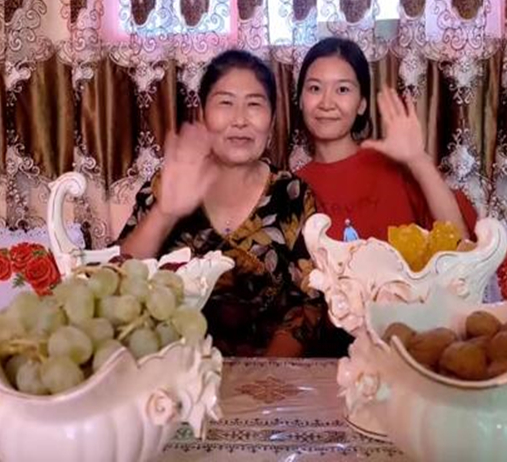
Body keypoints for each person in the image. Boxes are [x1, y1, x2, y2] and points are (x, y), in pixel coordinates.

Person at [116, 49, 326, 358]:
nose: (240, 120)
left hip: (270, 376)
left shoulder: (291, 194)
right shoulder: (170, 181)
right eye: (225, 103)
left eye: (254, 104)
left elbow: (310, 303)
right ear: (202, 115)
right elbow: (118, 283)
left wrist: (262, 376)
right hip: (175, 371)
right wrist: (165, 213)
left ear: (272, 119)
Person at [295, 37, 478, 241]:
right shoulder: (291, 188)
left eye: (342, 89)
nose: (327, 103)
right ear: (300, 100)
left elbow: (462, 243)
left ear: (362, 104)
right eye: (315, 88)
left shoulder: (396, 167)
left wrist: (418, 160)